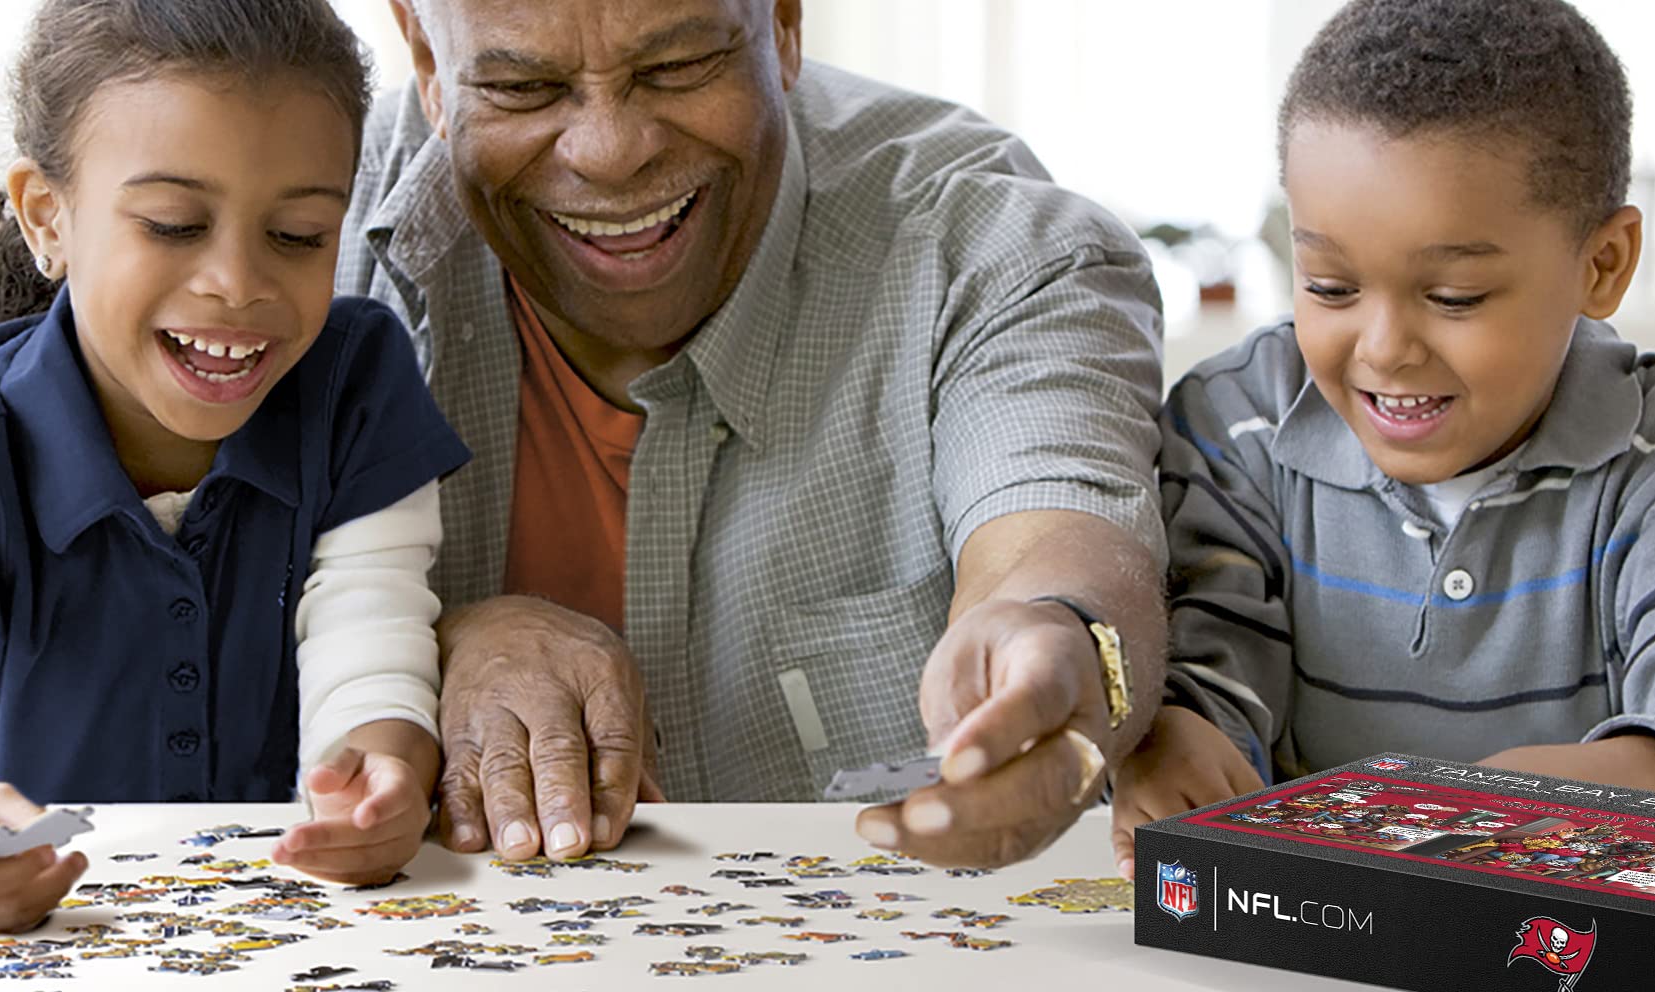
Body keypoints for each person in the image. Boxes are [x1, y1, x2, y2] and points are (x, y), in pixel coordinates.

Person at [342, 0, 1171, 869]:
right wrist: (425, 643)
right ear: (427, 61)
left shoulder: (989, 244)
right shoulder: (283, 225)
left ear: (782, 22)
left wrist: (1061, 641)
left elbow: (1053, 533)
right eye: (521, 86)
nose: (610, 151)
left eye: (677, 67)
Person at [0, 0, 469, 932]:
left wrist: (381, 777)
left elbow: (372, 647)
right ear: (48, 217)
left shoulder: (357, 384)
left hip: (299, 928)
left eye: (300, 235)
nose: (237, 282)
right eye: (171, 223)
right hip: (51, 938)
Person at [1111, 0, 1655, 872]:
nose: (1383, 348)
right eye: (1329, 286)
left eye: (1454, 298)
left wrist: (1624, 777)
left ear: (1602, 265)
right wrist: (1175, 733)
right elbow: (1213, 646)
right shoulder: (1234, 424)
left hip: (1569, 919)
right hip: (1305, 915)